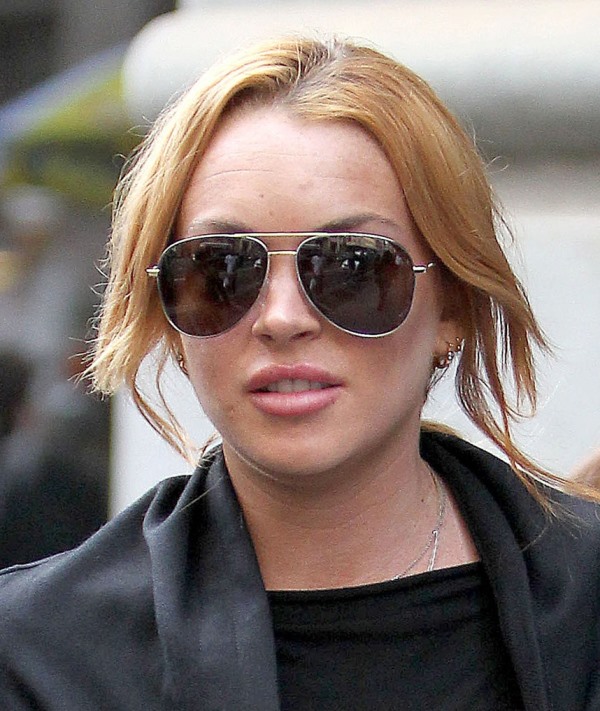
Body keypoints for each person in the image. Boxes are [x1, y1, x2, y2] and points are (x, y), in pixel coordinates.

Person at [0, 34, 598, 711]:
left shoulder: (585, 605)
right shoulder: (40, 656)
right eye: (222, 270)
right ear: (168, 315)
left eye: (352, 267)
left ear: (452, 304)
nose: (282, 318)